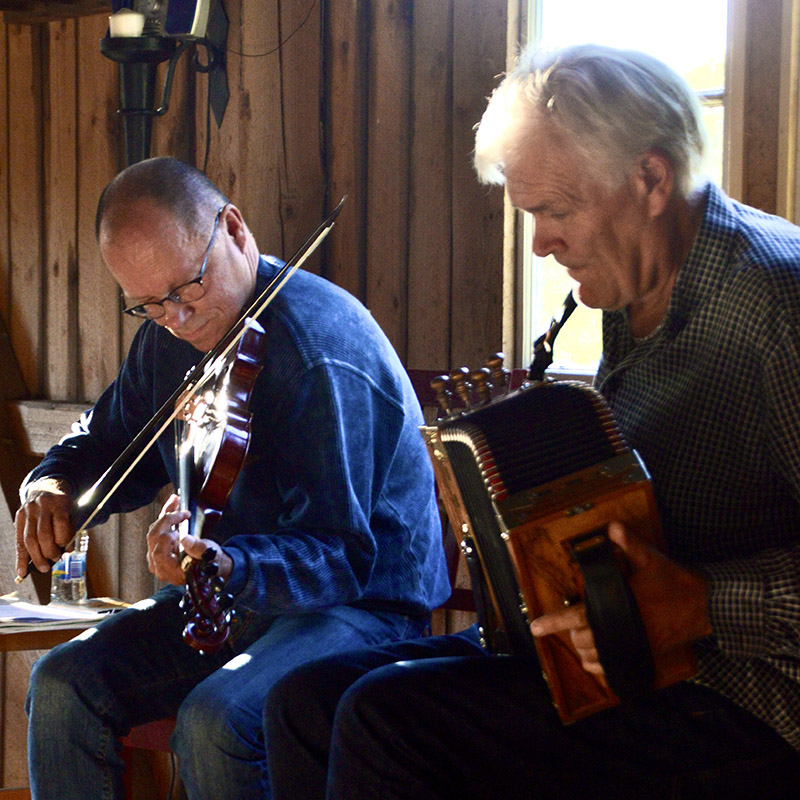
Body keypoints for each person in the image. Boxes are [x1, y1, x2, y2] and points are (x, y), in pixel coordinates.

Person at [263, 44, 800, 799]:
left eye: (556, 211)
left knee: (386, 721)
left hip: (750, 705)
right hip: (624, 663)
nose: (543, 243)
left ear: (649, 179)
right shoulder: (630, 292)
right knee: (304, 704)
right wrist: (498, 527)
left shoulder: (777, 302)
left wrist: (703, 603)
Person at [15, 156, 450, 800]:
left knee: (218, 722)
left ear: (236, 230)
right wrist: (50, 482)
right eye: (149, 304)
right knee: (60, 685)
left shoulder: (317, 353)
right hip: (231, 597)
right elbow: (107, 440)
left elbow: (341, 556)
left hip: (362, 604)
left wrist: (221, 563)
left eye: (188, 288)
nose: (178, 318)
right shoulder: (169, 336)